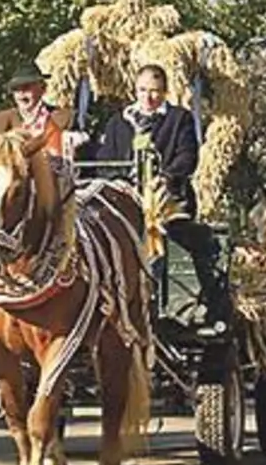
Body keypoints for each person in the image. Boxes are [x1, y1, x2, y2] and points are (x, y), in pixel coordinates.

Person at [96, 64, 232, 324]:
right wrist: (117, 183)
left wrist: (166, 179)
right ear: (135, 90)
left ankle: (189, 304)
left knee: (175, 236)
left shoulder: (178, 119)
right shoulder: (118, 123)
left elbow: (187, 156)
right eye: (143, 90)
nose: (149, 97)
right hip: (124, 203)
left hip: (168, 203)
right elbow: (105, 162)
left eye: (155, 91)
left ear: (165, 91)